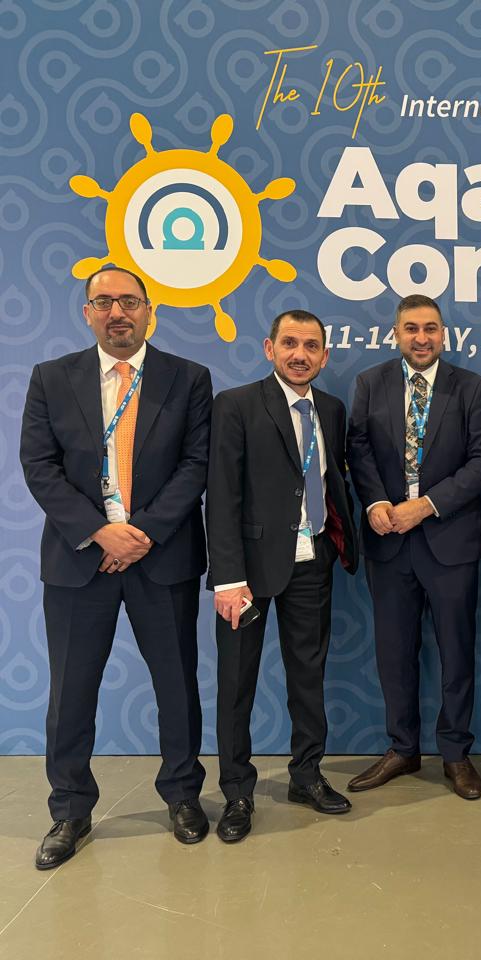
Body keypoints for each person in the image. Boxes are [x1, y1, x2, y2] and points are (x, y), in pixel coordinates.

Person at [20, 266, 212, 868]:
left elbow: (197, 464)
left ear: (150, 311)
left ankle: (182, 795)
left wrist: (142, 533)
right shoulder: (52, 378)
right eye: (103, 302)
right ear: (87, 313)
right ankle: (69, 809)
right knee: (71, 692)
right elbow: (39, 465)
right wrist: (99, 531)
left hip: (162, 556)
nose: (116, 313)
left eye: (128, 301)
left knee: (176, 685)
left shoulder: (188, 378)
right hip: (79, 559)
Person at [206, 309, 359, 842]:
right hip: (247, 573)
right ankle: (236, 791)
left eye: (311, 346)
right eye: (290, 343)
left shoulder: (332, 410)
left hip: (312, 561)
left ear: (325, 355)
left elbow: (331, 480)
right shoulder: (236, 405)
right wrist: (228, 577)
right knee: (236, 683)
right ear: (269, 349)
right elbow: (221, 495)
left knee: (308, 677)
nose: (300, 354)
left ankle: (306, 775)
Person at [346, 295, 481, 799]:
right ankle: (403, 748)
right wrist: (375, 502)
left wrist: (427, 505)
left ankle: (455, 752)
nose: (421, 337)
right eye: (411, 328)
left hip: (450, 541)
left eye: (430, 328)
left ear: (443, 335)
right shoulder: (370, 383)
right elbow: (358, 450)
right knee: (394, 653)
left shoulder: (471, 387)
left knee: (457, 651)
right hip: (389, 541)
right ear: (396, 334)